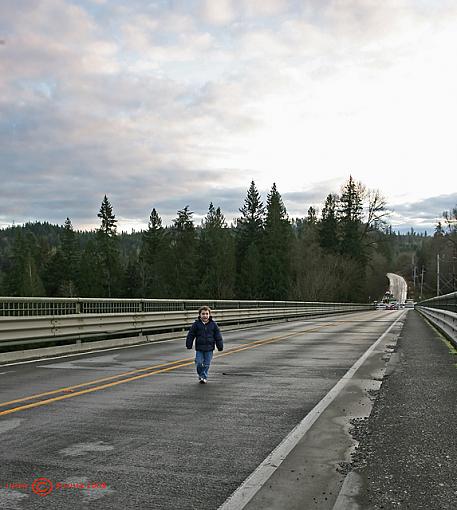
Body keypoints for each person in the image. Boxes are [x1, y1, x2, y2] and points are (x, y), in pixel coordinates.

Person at [186, 305, 223, 384]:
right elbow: (191, 334)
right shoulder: (196, 324)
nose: (205, 316)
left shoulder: (213, 324)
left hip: (209, 348)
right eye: (203, 314)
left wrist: (220, 346)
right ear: (199, 315)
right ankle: (201, 374)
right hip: (199, 348)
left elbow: (218, 336)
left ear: (209, 315)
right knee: (199, 363)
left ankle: (204, 377)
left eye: (206, 314)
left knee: (206, 364)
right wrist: (189, 344)